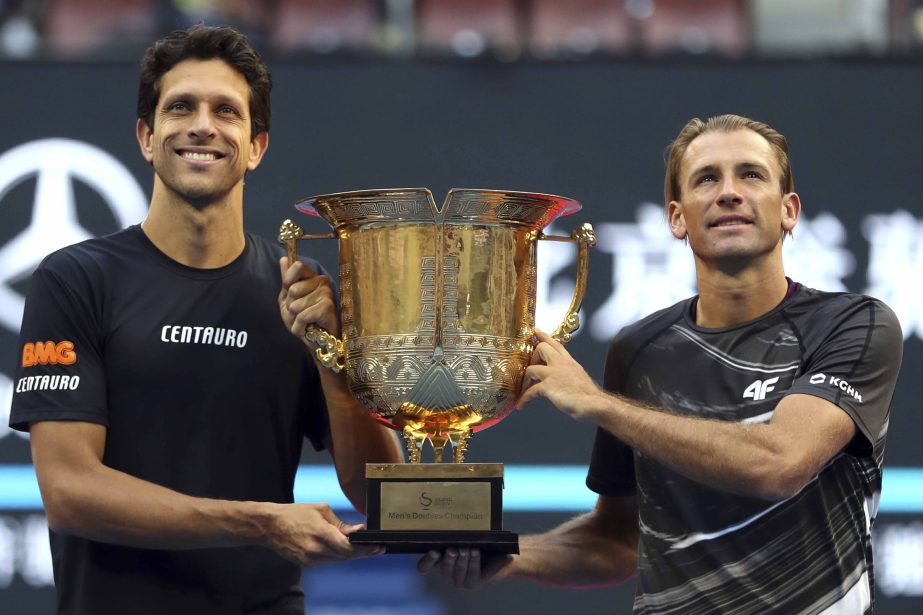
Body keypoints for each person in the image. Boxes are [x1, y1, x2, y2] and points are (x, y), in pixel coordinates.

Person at [419, 114, 903, 614]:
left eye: (751, 175)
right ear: (677, 217)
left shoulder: (854, 325)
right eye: (707, 178)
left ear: (789, 210)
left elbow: (779, 464)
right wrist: (512, 555)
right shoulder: (641, 351)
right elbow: (620, 539)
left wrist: (598, 405)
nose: (730, 192)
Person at [9, 24, 403, 614]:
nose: (202, 125)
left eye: (227, 111)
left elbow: (381, 497)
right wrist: (258, 522)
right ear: (146, 136)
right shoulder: (75, 280)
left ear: (256, 146)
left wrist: (335, 361)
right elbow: (70, 492)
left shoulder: (301, 289)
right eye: (180, 107)